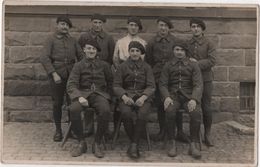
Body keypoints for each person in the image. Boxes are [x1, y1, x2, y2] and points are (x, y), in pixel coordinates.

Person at [66, 39, 113, 158]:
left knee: (105, 110)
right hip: (83, 95)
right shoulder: (78, 65)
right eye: (89, 48)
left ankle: (96, 143)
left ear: (97, 51)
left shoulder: (104, 65)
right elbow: (71, 84)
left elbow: (111, 82)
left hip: (99, 95)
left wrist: (108, 97)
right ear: (84, 50)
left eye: (93, 49)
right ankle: (82, 142)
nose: (91, 51)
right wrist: (79, 96)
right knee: (74, 109)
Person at [40, 15, 83, 142]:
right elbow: (44, 58)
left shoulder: (73, 40)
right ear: (57, 25)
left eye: (67, 25)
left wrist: (80, 72)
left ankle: (73, 129)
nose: (65, 27)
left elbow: (80, 56)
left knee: (73, 103)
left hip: (72, 76)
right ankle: (58, 130)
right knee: (57, 103)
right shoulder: (50, 39)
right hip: (56, 76)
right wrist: (53, 73)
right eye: (62, 24)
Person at [145, 16, 188, 142]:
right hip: (158, 78)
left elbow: (179, 58)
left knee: (176, 103)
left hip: (173, 78)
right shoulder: (152, 42)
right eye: (161, 25)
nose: (163, 28)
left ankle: (179, 131)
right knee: (160, 104)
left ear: (169, 28)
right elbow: (149, 61)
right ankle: (162, 130)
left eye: (165, 26)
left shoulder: (175, 40)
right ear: (158, 26)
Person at [159, 40, 203, 159]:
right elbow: (162, 84)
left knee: (196, 113)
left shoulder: (193, 65)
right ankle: (171, 141)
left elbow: (198, 84)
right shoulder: (168, 65)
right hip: (173, 96)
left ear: (186, 52)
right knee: (169, 111)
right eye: (177, 50)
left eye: (182, 50)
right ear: (173, 51)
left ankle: (193, 143)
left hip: (189, 97)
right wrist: (166, 97)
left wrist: (194, 99)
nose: (179, 52)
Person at [113, 41, 155, 159]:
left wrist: (143, 97)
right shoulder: (122, 67)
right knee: (126, 113)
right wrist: (124, 97)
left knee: (142, 114)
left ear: (141, 53)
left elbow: (151, 86)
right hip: (126, 96)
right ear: (129, 52)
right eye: (132, 51)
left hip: (143, 97)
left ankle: (133, 145)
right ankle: (135, 143)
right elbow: (116, 85)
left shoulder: (147, 67)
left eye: (137, 51)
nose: (135, 53)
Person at [78, 13, 115, 137]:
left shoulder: (108, 38)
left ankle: (104, 128)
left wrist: (103, 68)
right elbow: (79, 54)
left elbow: (110, 57)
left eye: (100, 23)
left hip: (102, 71)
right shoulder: (84, 37)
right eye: (95, 22)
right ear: (91, 23)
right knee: (87, 94)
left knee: (104, 100)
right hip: (86, 71)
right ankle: (88, 127)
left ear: (103, 24)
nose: (97, 25)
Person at [112, 16, 147, 136]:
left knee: (142, 110)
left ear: (139, 28)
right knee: (121, 105)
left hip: (139, 77)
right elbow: (115, 59)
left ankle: (138, 132)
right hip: (123, 76)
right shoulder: (120, 42)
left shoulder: (143, 43)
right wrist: (122, 73)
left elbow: (145, 62)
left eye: (136, 26)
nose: (133, 27)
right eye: (131, 25)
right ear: (127, 26)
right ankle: (117, 128)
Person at [188, 18, 216, 147]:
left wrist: (196, 63)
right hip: (191, 80)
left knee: (206, 107)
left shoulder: (209, 43)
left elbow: (212, 61)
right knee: (193, 105)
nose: (195, 29)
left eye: (198, 27)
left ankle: (208, 134)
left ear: (202, 29)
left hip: (206, 79)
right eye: (193, 26)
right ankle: (194, 133)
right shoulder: (187, 43)